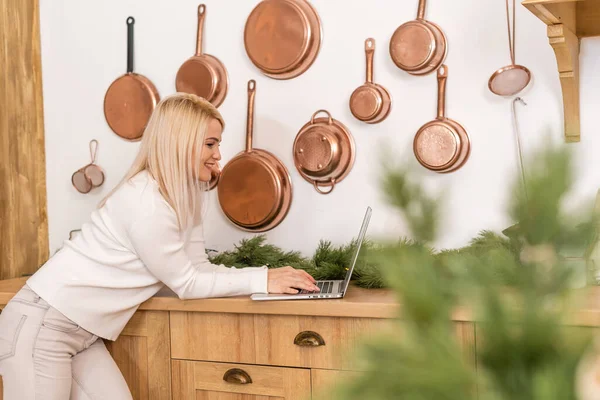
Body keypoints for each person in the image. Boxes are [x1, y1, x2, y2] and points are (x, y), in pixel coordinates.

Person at [0, 93, 320, 399]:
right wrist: (265, 278)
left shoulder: (184, 197)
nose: (218, 154)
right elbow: (187, 283)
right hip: (43, 327)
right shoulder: (146, 202)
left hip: (80, 333)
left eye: (218, 144)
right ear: (180, 144)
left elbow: (199, 269)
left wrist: (266, 278)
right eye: (210, 144)